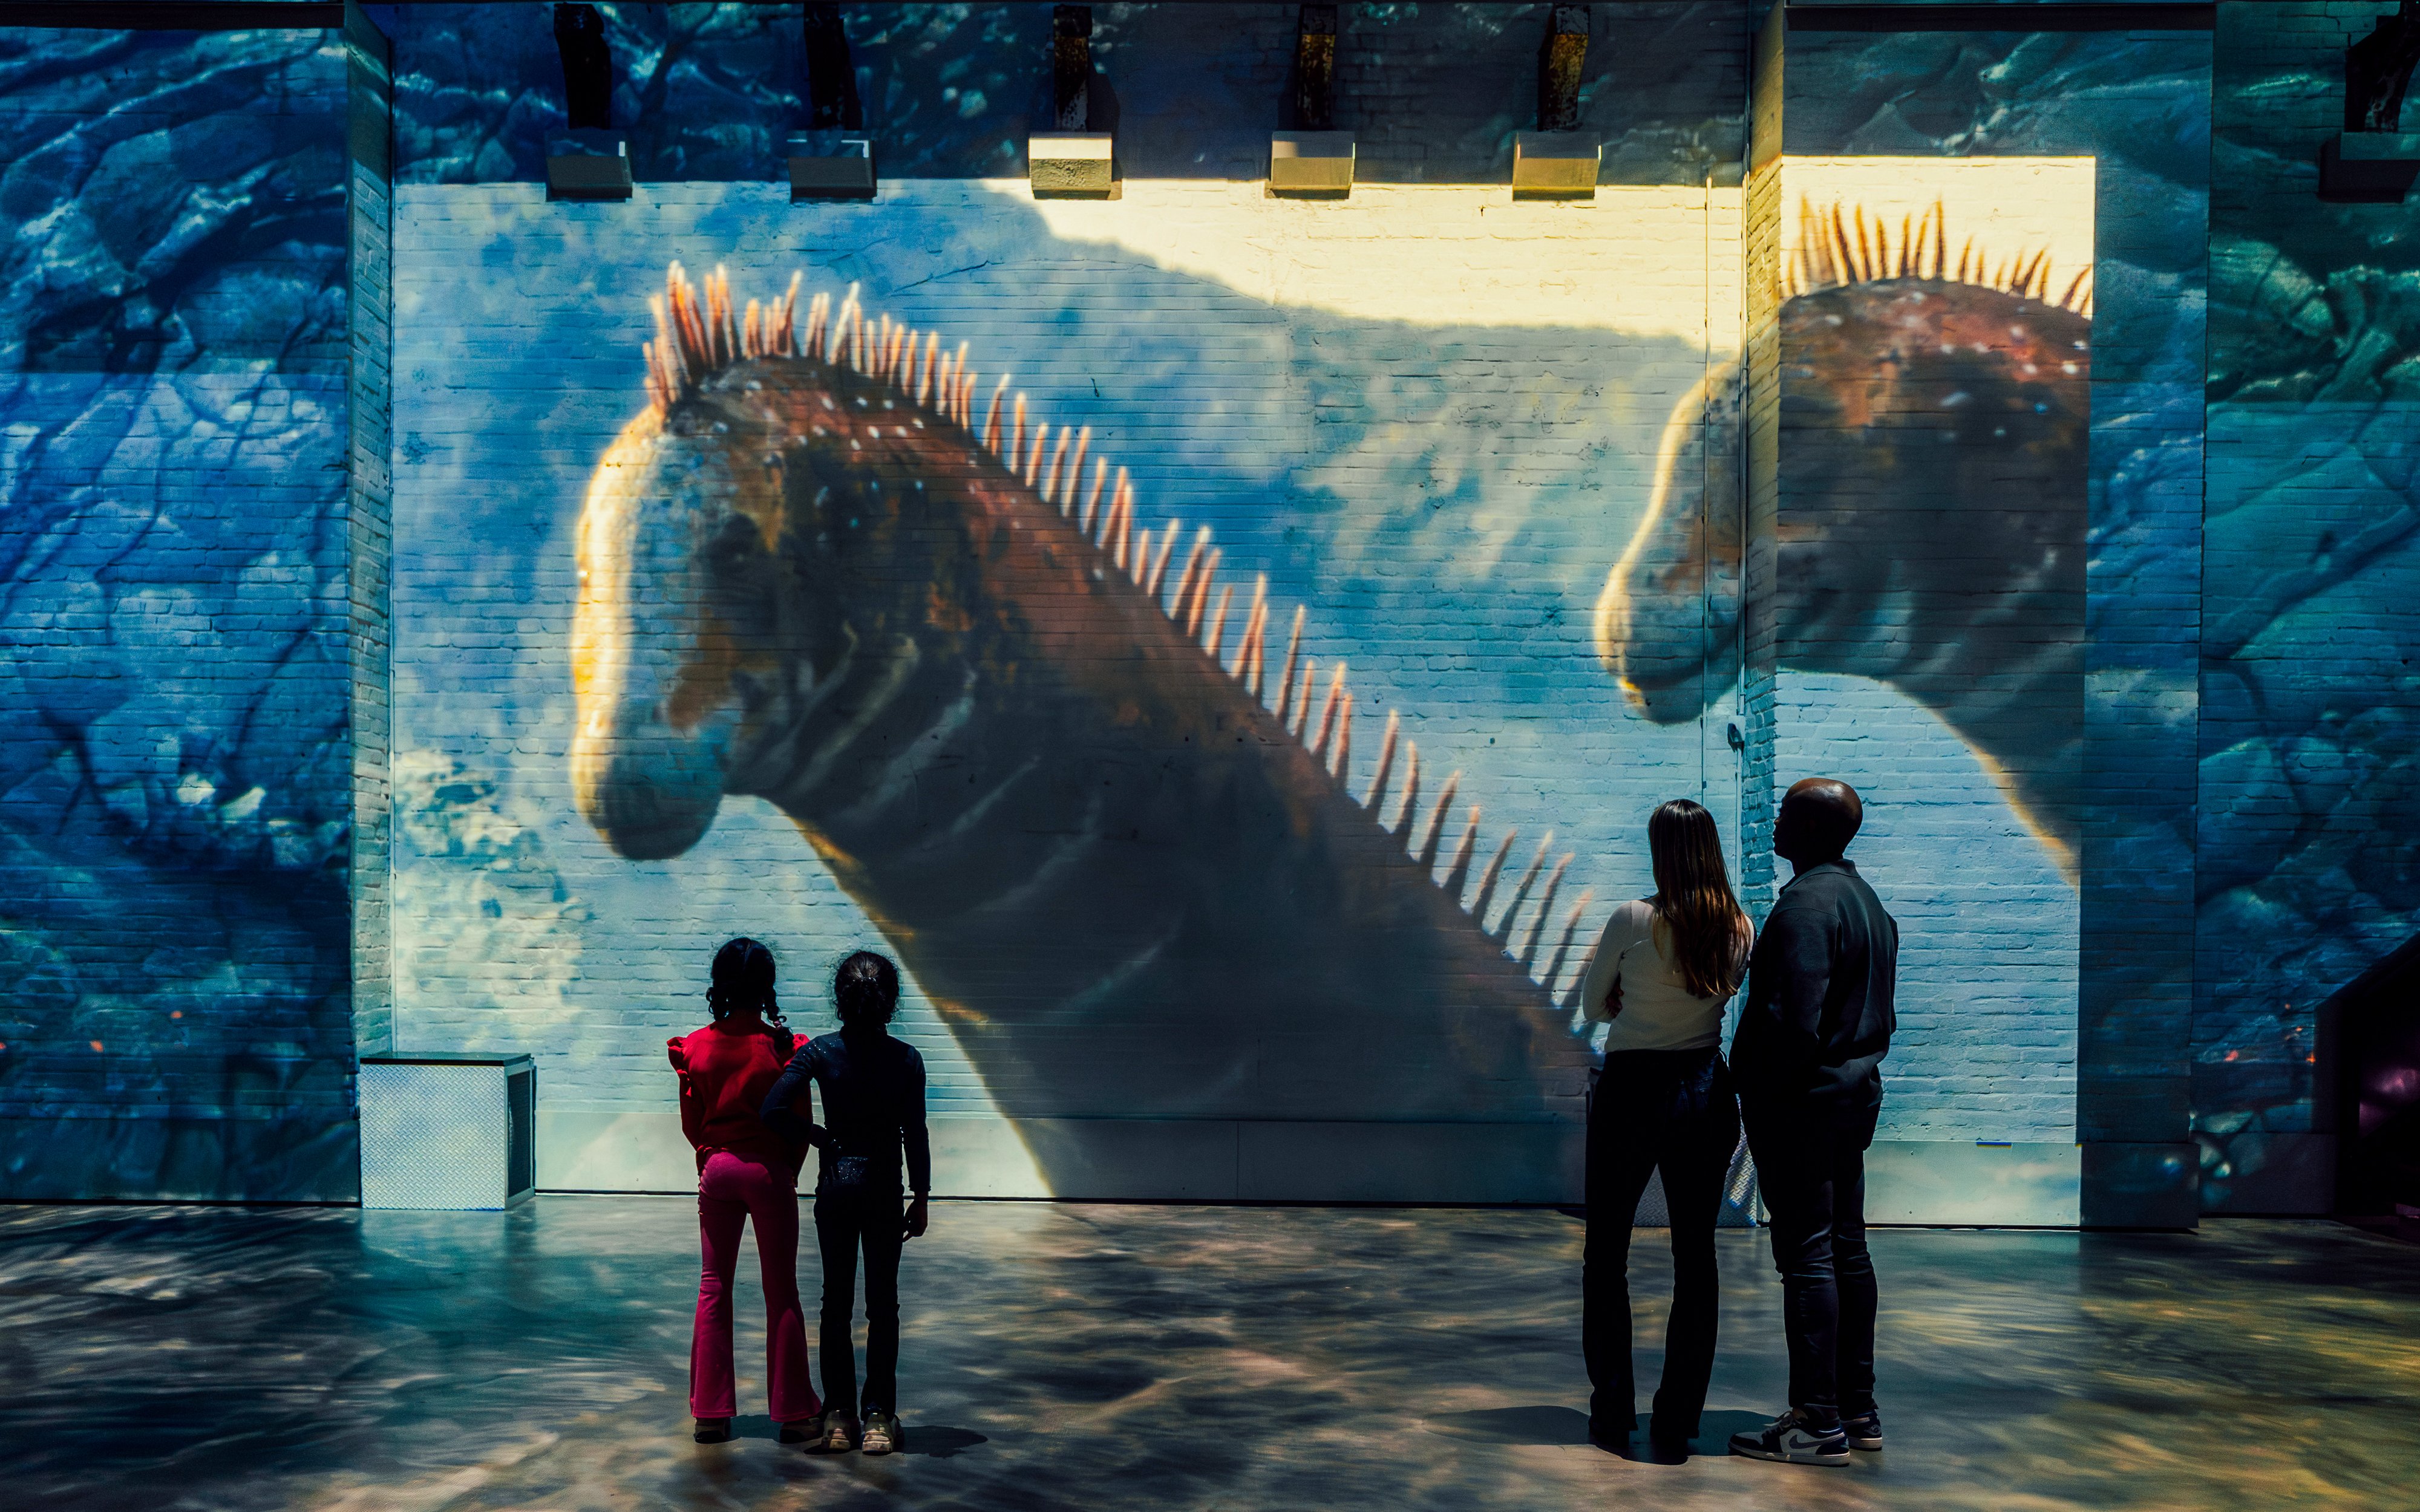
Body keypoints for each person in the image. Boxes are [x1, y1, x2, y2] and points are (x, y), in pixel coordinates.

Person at [1575, 798, 1753, 1461]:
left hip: (1631, 1090)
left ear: (1661, 852)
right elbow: (1720, 993)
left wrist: (1625, 995)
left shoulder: (1632, 918)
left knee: (1606, 1256)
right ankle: (1676, 1420)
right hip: (1704, 1089)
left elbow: (1593, 1005)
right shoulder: (1740, 926)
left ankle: (1612, 1410)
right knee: (1696, 1260)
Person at [1727, 778, 1898, 1467]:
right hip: (1850, 1102)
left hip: (1801, 1108)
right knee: (1847, 1250)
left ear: (1813, 829)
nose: (1775, 823)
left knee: (1807, 1257)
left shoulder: (1805, 905)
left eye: (1788, 814)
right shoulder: (1867, 902)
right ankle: (1857, 1409)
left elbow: (1792, 1022)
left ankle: (1815, 1422)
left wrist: (1750, 1084)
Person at [760, 950, 931, 1457]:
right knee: (883, 1305)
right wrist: (921, 1196)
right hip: (883, 1191)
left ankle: (839, 1417)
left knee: (835, 1303)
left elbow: (772, 1109)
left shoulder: (820, 1052)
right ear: (890, 1001)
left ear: (840, 998)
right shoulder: (907, 1059)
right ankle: (878, 1418)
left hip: (835, 1189)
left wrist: (815, 1135)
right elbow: (915, 1134)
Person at [667, 937, 822, 1445]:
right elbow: (801, 1123)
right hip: (770, 1172)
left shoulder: (695, 1046)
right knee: (781, 1290)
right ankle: (795, 1414)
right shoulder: (785, 1048)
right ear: (767, 986)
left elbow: (692, 1124)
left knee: (713, 1285)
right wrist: (787, 1171)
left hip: (718, 1171)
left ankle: (711, 1414)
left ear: (720, 985)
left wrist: (712, 1158)